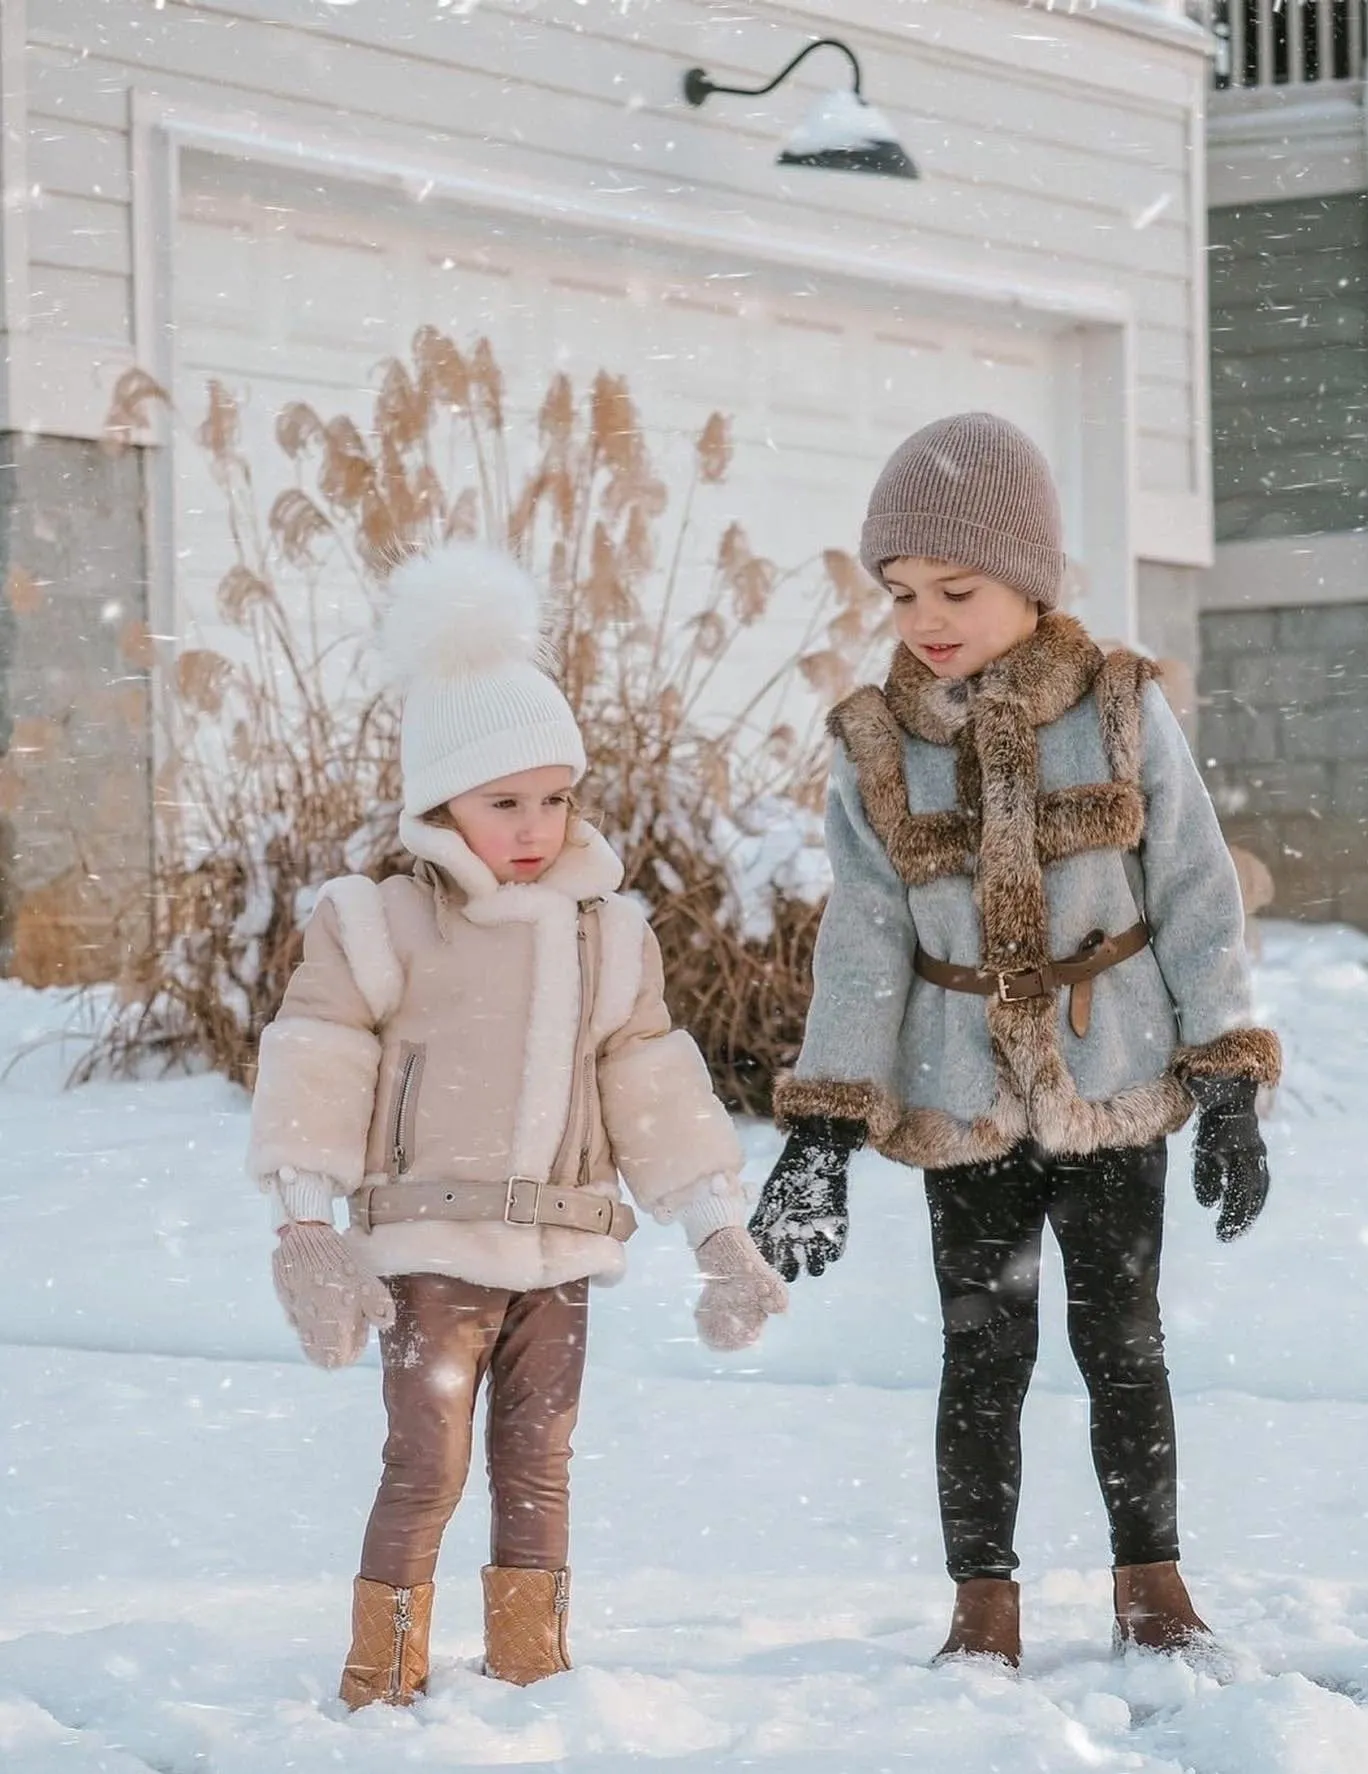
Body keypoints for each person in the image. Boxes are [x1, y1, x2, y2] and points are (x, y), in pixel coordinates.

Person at [749, 413, 1279, 1670]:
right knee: (982, 1352)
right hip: (961, 1092)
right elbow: (867, 937)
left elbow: (1198, 892)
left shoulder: (1116, 707)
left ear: (1029, 582)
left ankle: (1152, 1583)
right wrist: (823, 1127)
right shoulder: (881, 745)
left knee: (1123, 1339)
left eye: (956, 587)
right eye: (900, 592)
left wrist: (1229, 1082)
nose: (924, 615)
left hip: (1112, 1079)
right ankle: (981, 1606)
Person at [247, 542, 786, 1705]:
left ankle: (532, 1669)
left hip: (562, 1255)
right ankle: (382, 1675)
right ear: (441, 804)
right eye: (505, 802)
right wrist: (306, 1223)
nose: (536, 825)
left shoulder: (609, 934)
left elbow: (649, 1079)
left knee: (539, 1467)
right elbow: (319, 1056)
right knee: (424, 1464)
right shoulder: (382, 922)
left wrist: (713, 1229)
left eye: (556, 798)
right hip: (430, 1259)